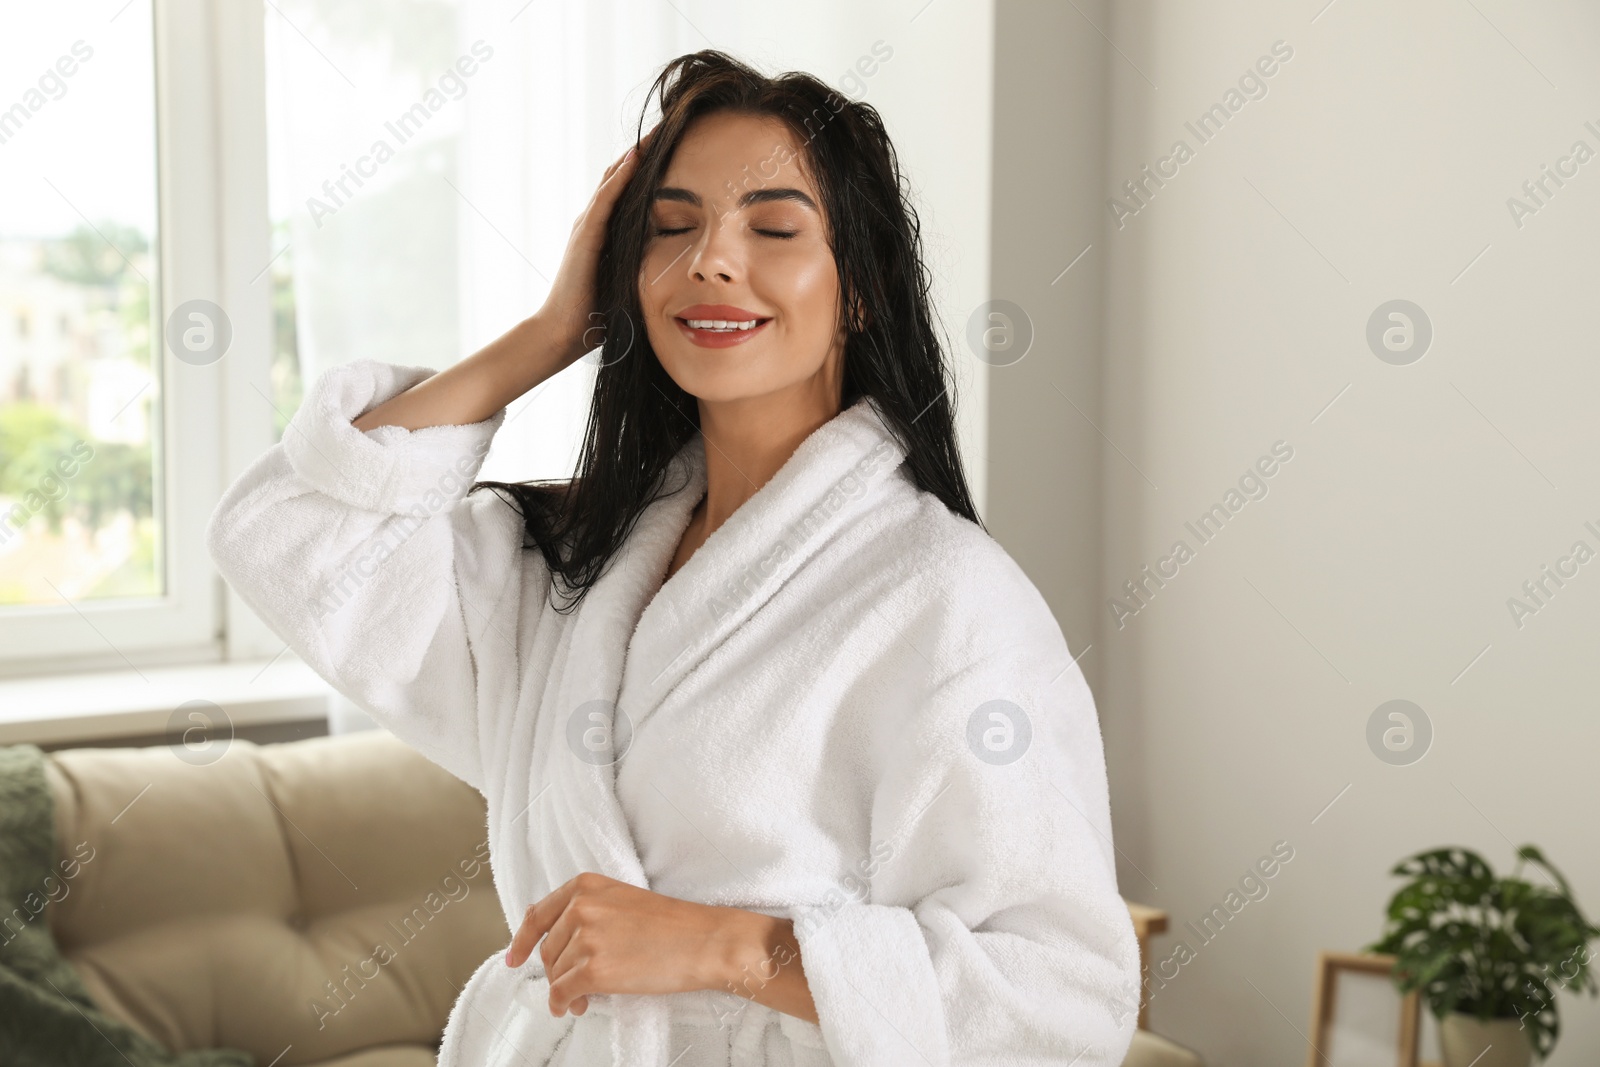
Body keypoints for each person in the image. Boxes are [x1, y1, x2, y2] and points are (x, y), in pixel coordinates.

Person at [207, 48, 1140, 1067]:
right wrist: (551, 330)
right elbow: (290, 537)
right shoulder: (572, 566)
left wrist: (721, 946)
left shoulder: (946, 599)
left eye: (773, 227)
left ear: (862, 290)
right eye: (671, 226)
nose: (710, 259)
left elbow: (1059, 997)